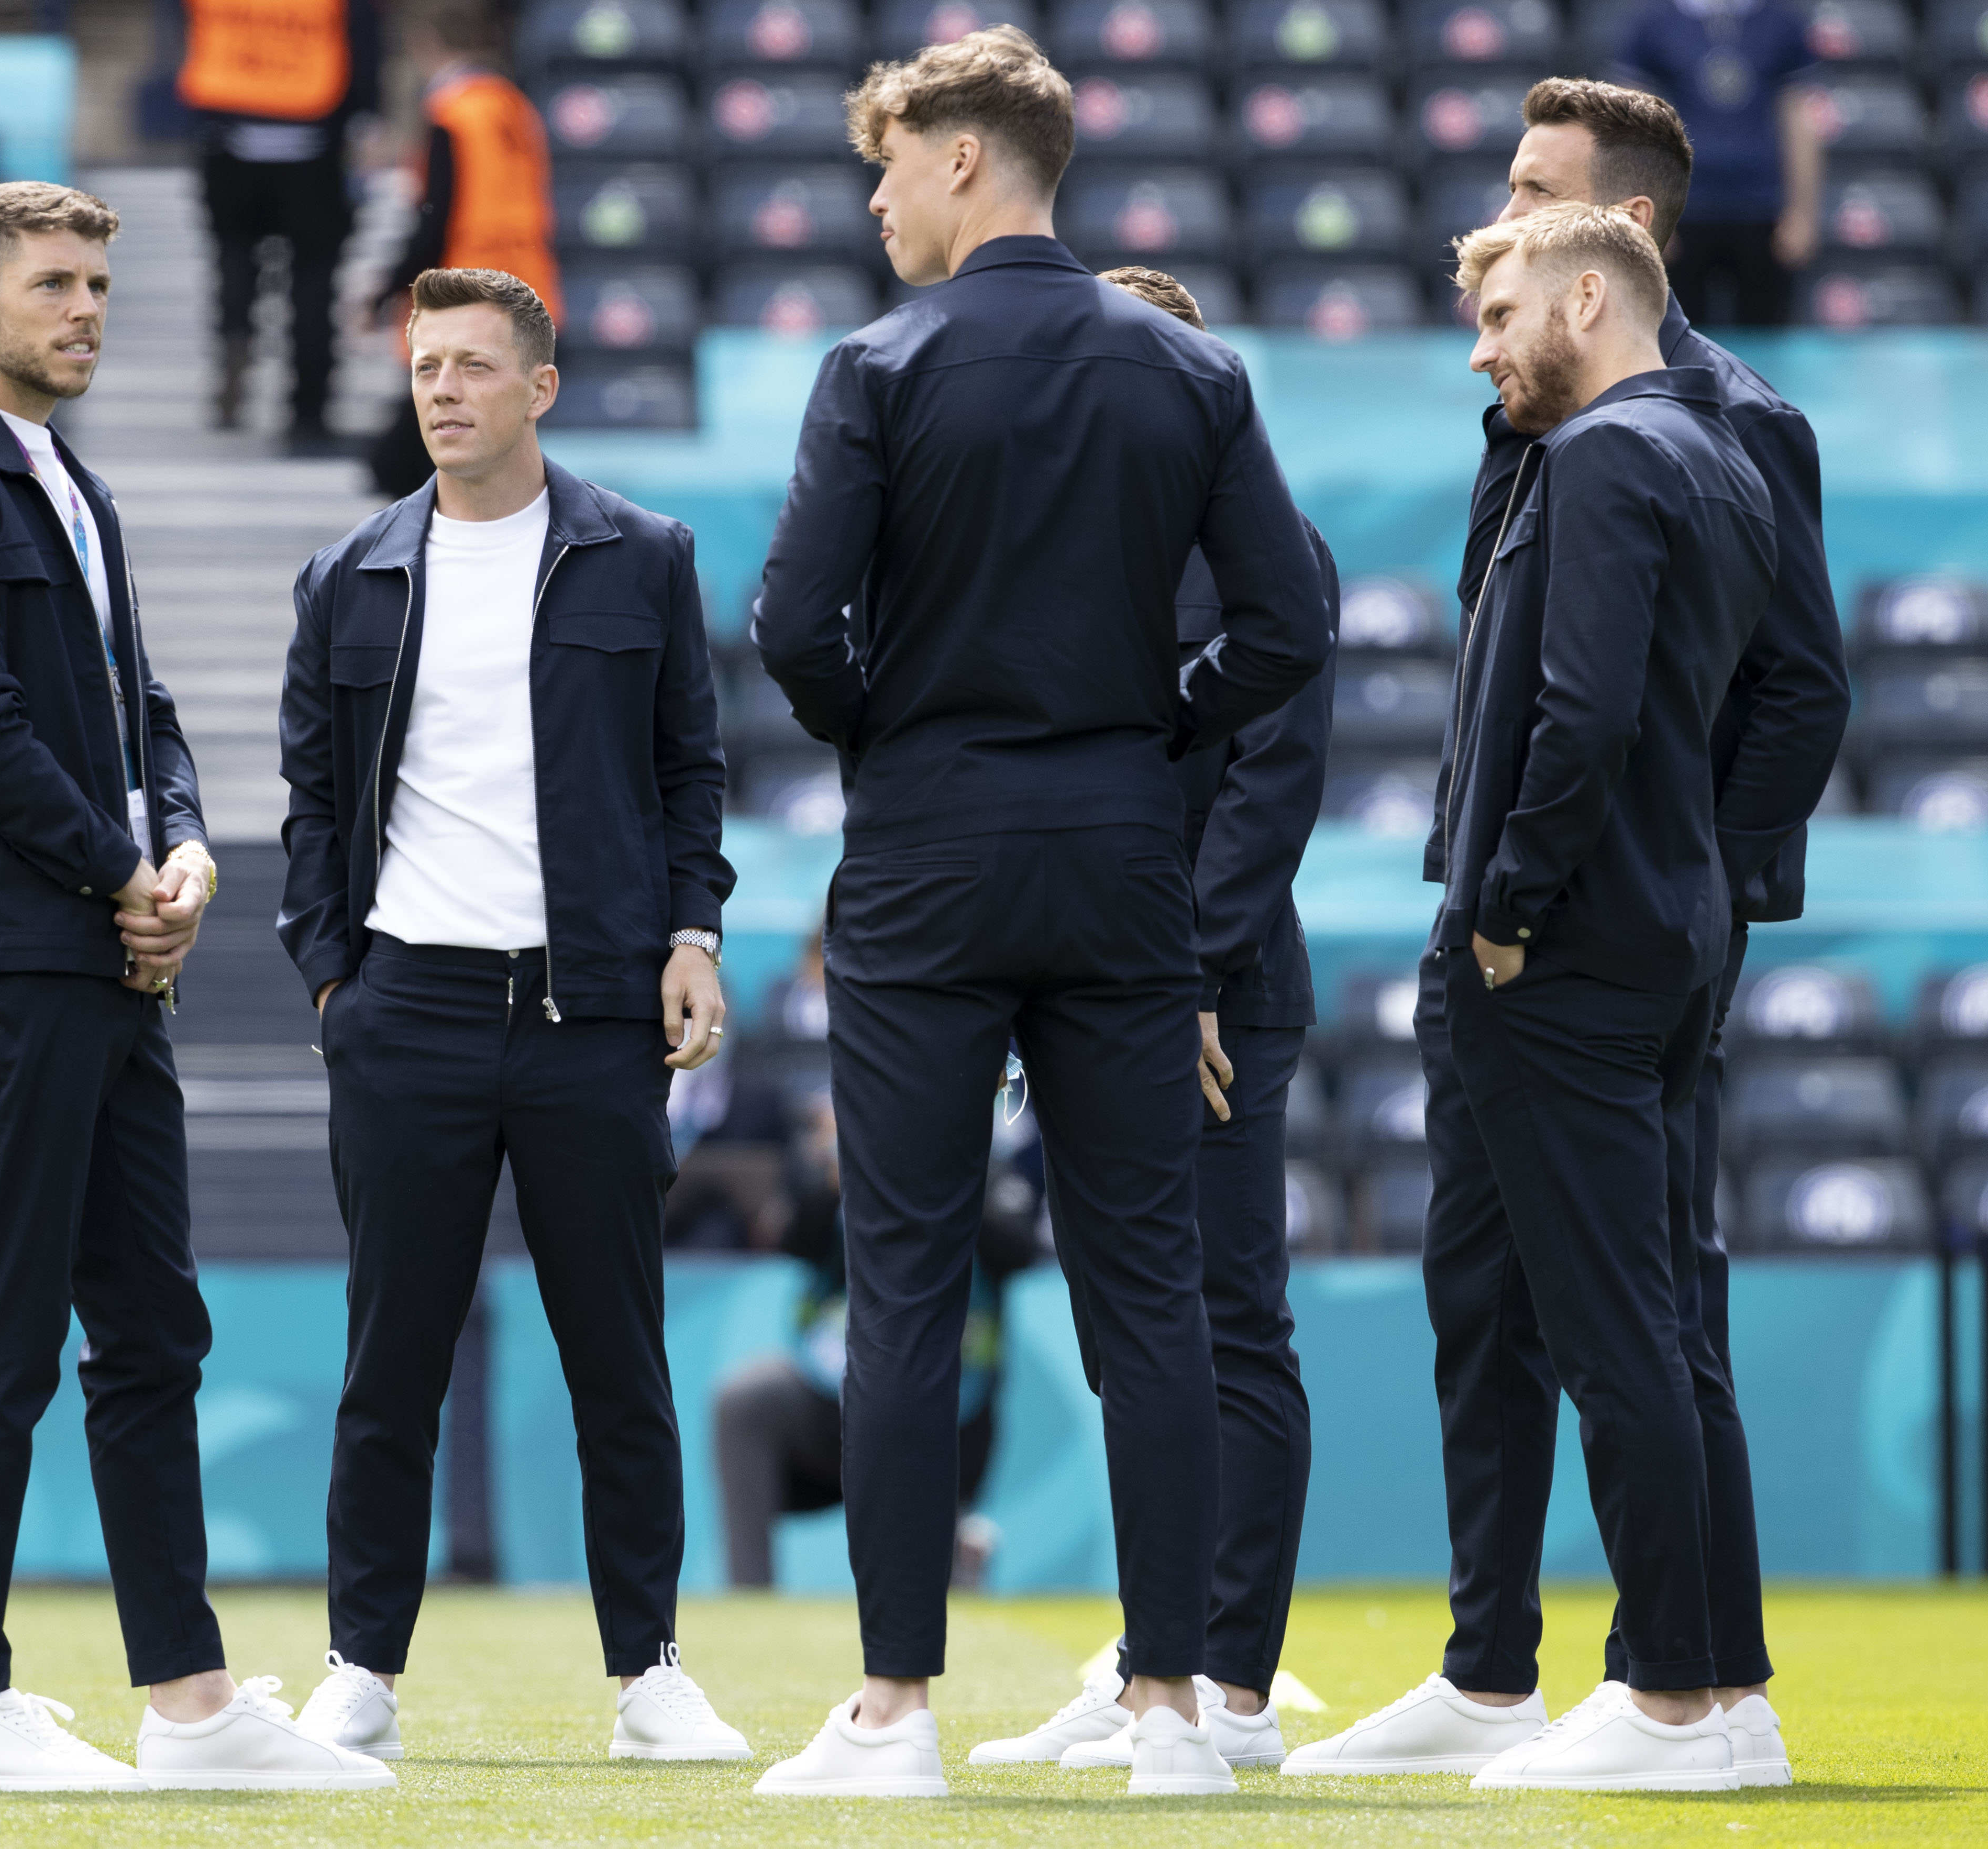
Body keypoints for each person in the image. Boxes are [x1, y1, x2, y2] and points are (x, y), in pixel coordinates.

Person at [747, 29, 1331, 1801]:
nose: (871, 200)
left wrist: (898, 727)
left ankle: (897, 1718)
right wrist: (1153, 724)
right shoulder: (1189, 372)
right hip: (1119, 852)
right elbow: (1289, 629)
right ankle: (1173, 1717)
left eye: (885, 164)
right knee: (1153, 1289)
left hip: (927, 853)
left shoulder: (876, 365)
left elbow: (789, 628)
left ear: (961, 162)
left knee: (905, 1284)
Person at [1289, 81, 1845, 1789]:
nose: (1498, 226)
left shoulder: (1699, 424)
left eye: (1534, 203)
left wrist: (1657, 896)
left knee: (1644, 1314)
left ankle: (1692, 1684)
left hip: (1596, 937)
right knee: (1493, 1299)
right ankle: (1493, 1664)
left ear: (1620, 245)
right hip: (1551, 929)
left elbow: (1784, 690)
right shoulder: (1549, 408)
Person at [0, 181, 390, 1795]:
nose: (85, 309)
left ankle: (193, 1703)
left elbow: (135, 701)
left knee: (151, 1328)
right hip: (8, 951)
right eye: (55, 285)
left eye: (96, 284)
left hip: (98, 944)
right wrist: (119, 870)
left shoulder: (70, 482)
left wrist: (188, 847)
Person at [274, 264, 748, 1765]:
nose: (441, 390)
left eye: (474, 366)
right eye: (426, 366)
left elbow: (691, 771)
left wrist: (691, 930)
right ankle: (360, 1665)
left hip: (590, 1008)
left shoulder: (640, 556)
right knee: (390, 1357)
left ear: (540, 388)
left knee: (618, 1353)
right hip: (404, 1004)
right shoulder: (348, 571)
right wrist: (332, 978)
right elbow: (309, 801)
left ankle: (649, 1672)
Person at [974, 262, 1337, 1778]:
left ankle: (1231, 1680)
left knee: (1222, 1322)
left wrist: (1181, 969)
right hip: (1087, 994)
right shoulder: (1077, 552)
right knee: (1134, 1339)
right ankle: (1153, 1653)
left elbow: (1269, 788)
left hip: (1205, 997)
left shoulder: (1267, 557)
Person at [713, 1089, 1034, 1590]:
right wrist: (832, 1178)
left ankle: (957, 1542)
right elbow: (789, 1238)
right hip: (832, 1393)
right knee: (746, 1400)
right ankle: (751, 1600)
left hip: (946, 1402)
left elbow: (1020, 1249)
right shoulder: (837, 1161)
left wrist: (944, 1179)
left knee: (934, 1612)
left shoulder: (977, 1162)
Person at [366, 1, 560, 499]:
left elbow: (435, 217)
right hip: (526, 289)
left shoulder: (452, 113)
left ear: (425, 46)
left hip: (466, 295)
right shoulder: (514, 108)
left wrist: (388, 289)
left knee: (402, 462)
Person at [178, 0, 379, 451]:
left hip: (231, 136)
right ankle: (307, 410)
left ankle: (236, 341)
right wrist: (364, 122)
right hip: (313, 142)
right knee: (313, 283)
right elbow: (362, 47)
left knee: (232, 258)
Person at [1614, 0, 1822, 325]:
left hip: (1763, 209)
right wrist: (1648, 217)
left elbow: (1799, 122)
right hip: (1682, 209)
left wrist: (1803, 213)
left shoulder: (1780, 24)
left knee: (1766, 339)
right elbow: (1633, 127)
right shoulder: (1656, 24)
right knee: (1675, 340)